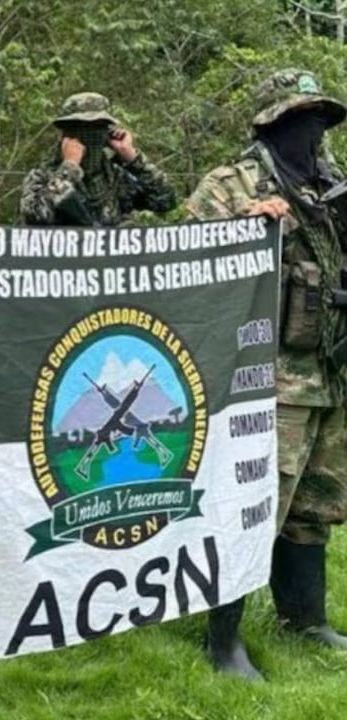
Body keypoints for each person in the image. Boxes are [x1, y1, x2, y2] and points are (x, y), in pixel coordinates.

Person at [185, 68, 347, 681]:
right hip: (265, 377)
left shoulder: (330, 183)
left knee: (315, 502)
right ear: (271, 122)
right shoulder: (231, 184)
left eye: (320, 119)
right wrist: (246, 227)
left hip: (330, 366)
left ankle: (304, 618)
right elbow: (185, 265)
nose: (313, 131)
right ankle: (222, 639)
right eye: (300, 118)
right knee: (254, 505)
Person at [20, 92, 176, 226]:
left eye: (98, 127)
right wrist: (69, 167)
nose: (89, 135)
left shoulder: (116, 178)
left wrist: (132, 157)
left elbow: (165, 201)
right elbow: (36, 217)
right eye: (79, 128)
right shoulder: (42, 177)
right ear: (66, 135)